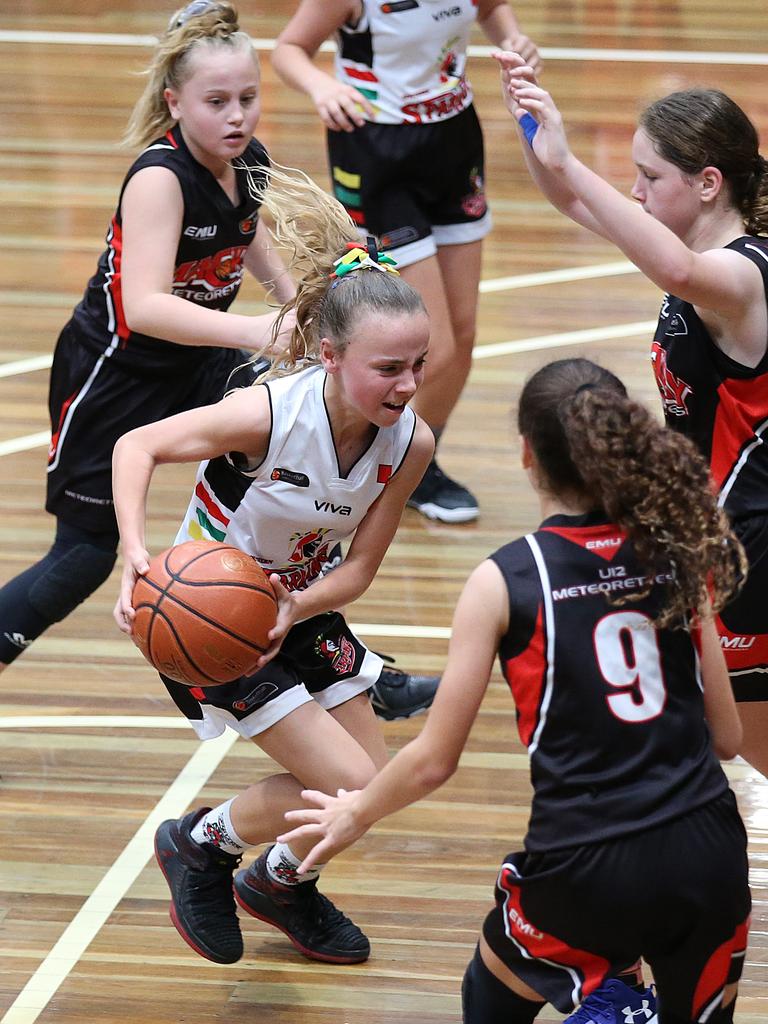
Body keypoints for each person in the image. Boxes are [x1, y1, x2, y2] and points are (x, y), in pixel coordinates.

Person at [278, 357, 751, 1024]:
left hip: (586, 858)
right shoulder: (675, 554)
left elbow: (435, 759)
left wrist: (354, 813)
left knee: (491, 996)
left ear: (528, 455)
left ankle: (610, 1002)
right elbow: (727, 738)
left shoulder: (507, 578)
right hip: (709, 852)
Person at [0, 0, 436, 723]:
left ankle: (350, 668)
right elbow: (143, 307)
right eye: (216, 102)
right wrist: (260, 331)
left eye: (248, 98)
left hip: (199, 363)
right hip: (116, 379)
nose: (237, 116)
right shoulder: (159, 179)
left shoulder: (245, 164)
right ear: (175, 103)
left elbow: (255, 250)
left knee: (300, 471)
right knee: (83, 557)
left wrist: (312, 310)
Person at [112, 161, 436, 966]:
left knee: (372, 786)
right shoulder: (266, 414)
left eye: (417, 364)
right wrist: (134, 552)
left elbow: (358, 571)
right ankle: (203, 844)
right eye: (388, 369)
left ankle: (280, 881)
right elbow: (136, 445)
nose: (408, 384)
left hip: (300, 604)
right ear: (329, 357)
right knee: (348, 785)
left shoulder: (410, 442)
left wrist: (299, 605)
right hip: (211, 613)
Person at [494, 56, 768, 781]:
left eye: (650, 178)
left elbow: (680, 276)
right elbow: (571, 201)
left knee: (742, 741)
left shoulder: (741, 277)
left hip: (753, 545)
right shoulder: (689, 250)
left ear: (709, 184)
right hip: (721, 536)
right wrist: (533, 120)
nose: (635, 192)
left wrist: (570, 161)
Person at [270, 0, 541, 523]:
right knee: (430, 346)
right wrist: (322, 86)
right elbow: (288, 50)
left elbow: (494, 8)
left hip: (454, 140)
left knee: (461, 338)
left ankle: (417, 467)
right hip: (376, 148)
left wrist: (513, 37)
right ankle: (362, 465)